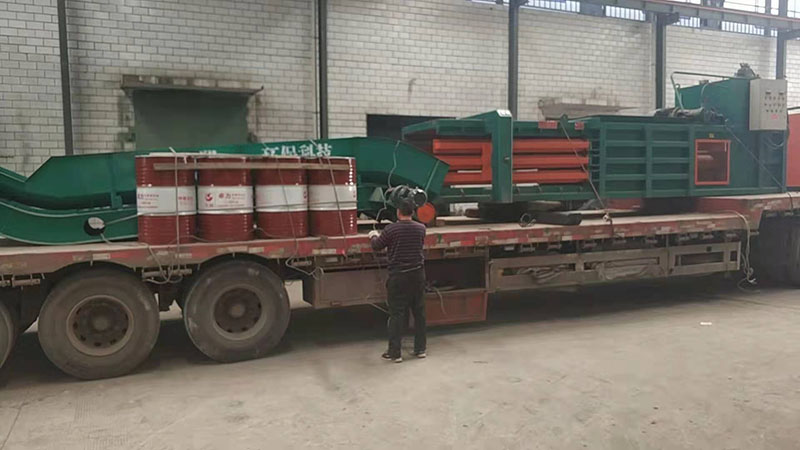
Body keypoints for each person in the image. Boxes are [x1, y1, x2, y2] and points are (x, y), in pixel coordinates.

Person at [368, 200, 427, 363]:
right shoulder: (421, 228)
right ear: (413, 212)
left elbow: (377, 246)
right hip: (418, 275)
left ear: (398, 212)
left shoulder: (391, 229)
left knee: (397, 314)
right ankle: (420, 349)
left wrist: (373, 236)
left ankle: (395, 353)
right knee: (419, 313)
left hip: (399, 277)